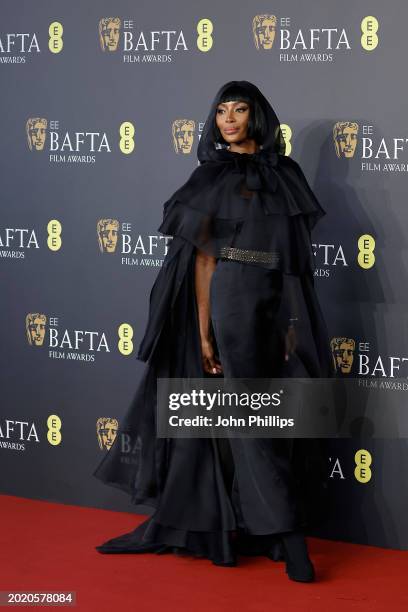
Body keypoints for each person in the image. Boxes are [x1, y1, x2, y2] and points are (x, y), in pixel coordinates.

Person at [93, 80, 334, 582]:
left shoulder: (284, 172)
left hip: (277, 300)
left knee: (284, 415)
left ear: (256, 116)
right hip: (233, 299)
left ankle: (255, 527)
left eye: (239, 109)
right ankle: (290, 538)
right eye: (221, 110)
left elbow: (293, 260)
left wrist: (292, 322)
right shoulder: (211, 177)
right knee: (251, 419)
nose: (228, 118)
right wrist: (204, 333)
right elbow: (204, 262)